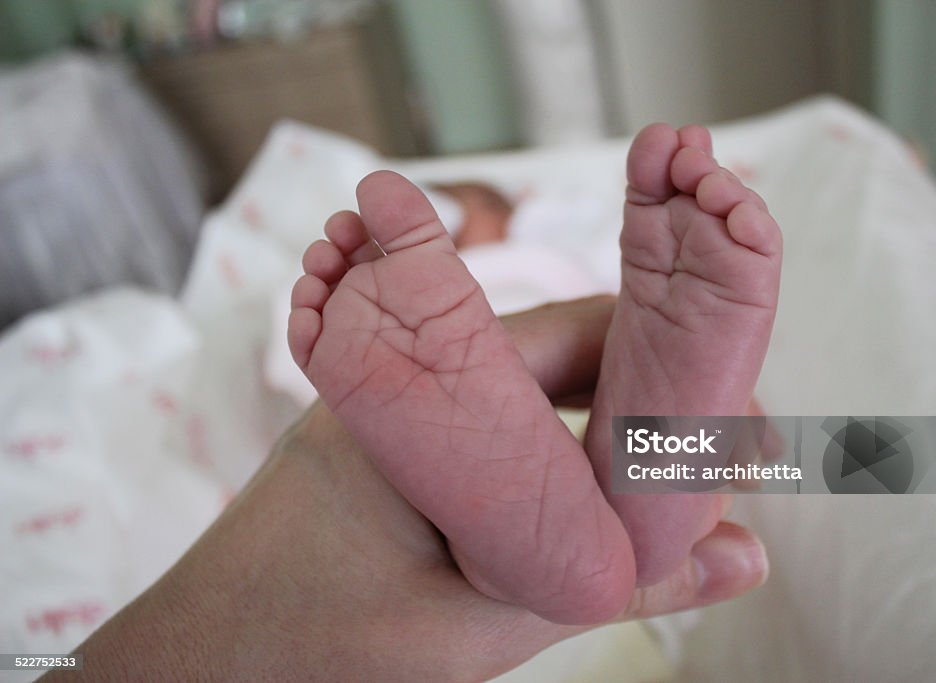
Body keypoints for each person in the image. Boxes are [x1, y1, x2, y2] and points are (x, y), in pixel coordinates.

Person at [48, 298, 768, 682]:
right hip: (461, 351)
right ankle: (638, 503)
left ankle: (534, 504)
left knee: (722, 448)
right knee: (734, 452)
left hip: (446, 353)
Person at [287, 123, 781, 624]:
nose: (453, 232)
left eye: (462, 217)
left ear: (503, 215)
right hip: (540, 400)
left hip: (497, 406)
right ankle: (656, 482)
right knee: (681, 425)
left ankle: (589, 506)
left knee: (620, 352)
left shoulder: (506, 262)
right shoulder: (432, 292)